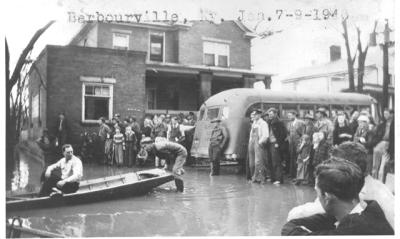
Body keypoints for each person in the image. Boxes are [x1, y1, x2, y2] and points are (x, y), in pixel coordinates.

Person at [286, 142, 394, 230]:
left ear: (347, 168)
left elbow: (296, 215)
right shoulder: (378, 187)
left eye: (334, 164)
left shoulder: (353, 191)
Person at [266, 108, 287, 184]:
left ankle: (279, 179)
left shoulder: (279, 122)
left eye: (271, 114)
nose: (270, 116)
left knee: (276, 162)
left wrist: (278, 143)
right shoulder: (268, 122)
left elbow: (284, 134)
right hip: (269, 144)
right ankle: (273, 178)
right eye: (269, 114)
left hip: (275, 144)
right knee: (270, 161)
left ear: (275, 114)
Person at [371, 109, 393, 180]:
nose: (385, 115)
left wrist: (390, 150)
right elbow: (376, 136)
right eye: (384, 114)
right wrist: (374, 144)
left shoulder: (395, 124)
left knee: (383, 165)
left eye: (386, 114)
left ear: (391, 114)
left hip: (390, 144)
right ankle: (374, 179)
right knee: (375, 164)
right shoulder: (382, 125)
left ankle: (380, 181)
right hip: (381, 143)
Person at [248, 109, 269, 183]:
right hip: (252, 143)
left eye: (256, 114)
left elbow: (265, 136)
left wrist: (259, 143)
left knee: (259, 161)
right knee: (252, 162)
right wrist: (250, 141)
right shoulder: (254, 123)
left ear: (260, 115)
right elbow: (251, 134)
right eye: (254, 114)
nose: (255, 116)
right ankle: (254, 178)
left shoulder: (263, 123)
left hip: (258, 143)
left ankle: (262, 178)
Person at [287, 111, 306, 179]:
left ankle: (298, 175)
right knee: (292, 158)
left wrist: (301, 144)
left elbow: (303, 134)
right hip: (291, 144)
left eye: (290, 115)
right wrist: (289, 140)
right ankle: (293, 174)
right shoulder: (289, 123)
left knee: (298, 159)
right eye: (288, 116)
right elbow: (288, 133)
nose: (288, 117)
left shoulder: (300, 123)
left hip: (298, 143)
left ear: (294, 115)